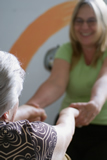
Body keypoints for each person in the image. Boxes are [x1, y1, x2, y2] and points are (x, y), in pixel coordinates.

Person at [24, 0, 107, 160]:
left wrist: (95, 103)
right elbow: (56, 83)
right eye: (79, 21)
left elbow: (105, 78)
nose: (84, 27)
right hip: (69, 126)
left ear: (103, 23)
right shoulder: (66, 49)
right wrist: (30, 107)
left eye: (91, 21)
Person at [0, 51, 79, 160]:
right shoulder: (27, 139)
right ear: (6, 112)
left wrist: (26, 110)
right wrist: (69, 112)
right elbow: (65, 134)